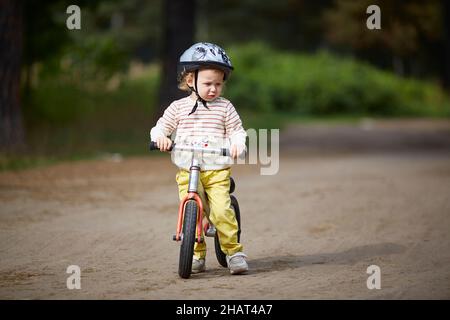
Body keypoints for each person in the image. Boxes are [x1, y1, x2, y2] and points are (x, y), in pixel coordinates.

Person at [150, 42, 248, 275]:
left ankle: (234, 252)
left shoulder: (225, 108)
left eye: (218, 84)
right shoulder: (178, 108)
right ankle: (196, 254)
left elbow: (237, 130)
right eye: (207, 84)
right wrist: (161, 138)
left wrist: (237, 143)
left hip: (216, 171)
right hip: (187, 170)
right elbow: (160, 128)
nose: (213, 89)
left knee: (222, 211)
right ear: (190, 80)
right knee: (192, 214)